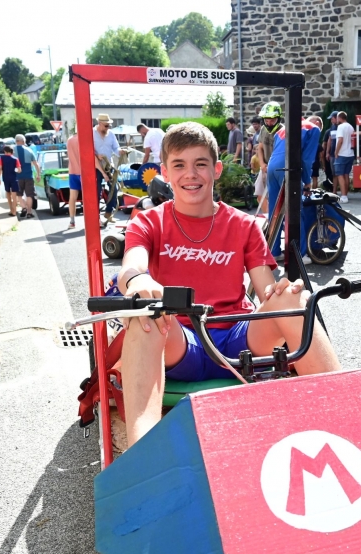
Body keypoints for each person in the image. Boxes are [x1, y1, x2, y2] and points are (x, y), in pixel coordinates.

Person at [116, 121, 341, 447]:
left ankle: (346, 412)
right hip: (181, 340)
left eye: (200, 164)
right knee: (145, 312)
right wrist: (138, 279)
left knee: (295, 299)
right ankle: (144, 452)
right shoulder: (149, 222)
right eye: (179, 165)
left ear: (216, 169)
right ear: (165, 172)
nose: (190, 174)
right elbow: (132, 265)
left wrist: (282, 292)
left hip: (237, 338)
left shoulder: (244, 225)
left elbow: (266, 289)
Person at [266, 115, 322, 262]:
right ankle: (300, 255)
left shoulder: (283, 129)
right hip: (287, 168)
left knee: (274, 211)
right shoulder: (313, 128)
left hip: (272, 168)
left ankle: (274, 251)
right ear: (316, 122)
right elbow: (307, 158)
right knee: (296, 212)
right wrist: (307, 181)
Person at [65, 128, 109, 229]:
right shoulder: (85, 140)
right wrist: (103, 173)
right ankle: (94, 221)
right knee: (89, 198)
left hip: (72, 171)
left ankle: (72, 222)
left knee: (72, 198)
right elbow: (93, 158)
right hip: (84, 173)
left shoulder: (69, 140)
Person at [256, 103, 283, 212]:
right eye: (267, 120)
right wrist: (262, 164)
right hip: (265, 166)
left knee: (276, 197)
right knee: (259, 195)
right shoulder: (263, 129)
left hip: (277, 169)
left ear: (278, 118)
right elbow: (260, 148)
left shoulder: (283, 131)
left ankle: (276, 221)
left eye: (272, 120)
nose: (269, 123)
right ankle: (269, 219)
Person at [14, 134, 41, 218]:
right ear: (23, 141)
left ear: (16, 141)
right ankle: (29, 212)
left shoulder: (12, 151)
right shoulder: (29, 150)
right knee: (30, 195)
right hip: (29, 176)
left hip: (17, 177)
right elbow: (36, 164)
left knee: (19, 194)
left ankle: (23, 207)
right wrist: (38, 174)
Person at [333, 111, 355, 203]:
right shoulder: (350, 127)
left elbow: (340, 140)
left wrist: (336, 152)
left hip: (342, 153)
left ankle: (344, 196)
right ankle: (345, 194)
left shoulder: (340, 127)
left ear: (339, 118)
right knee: (346, 174)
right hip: (350, 153)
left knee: (340, 175)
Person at [0, 146, 21, 216]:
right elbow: (19, 170)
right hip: (14, 178)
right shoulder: (16, 159)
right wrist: (15, 170)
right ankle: (14, 211)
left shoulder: (2, 158)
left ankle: (11, 209)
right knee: (14, 195)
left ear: (5, 151)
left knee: (8, 193)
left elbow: (0, 169)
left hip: (5, 178)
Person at [323, 111, 339, 192]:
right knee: (333, 174)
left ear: (337, 118)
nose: (331, 121)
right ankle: (333, 190)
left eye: (332, 119)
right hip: (332, 154)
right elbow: (327, 141)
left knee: (338, 174)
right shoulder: (330, 129)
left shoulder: (342, 127)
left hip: (338, 154)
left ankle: (337, 191)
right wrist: (326, 153)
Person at [307, 115, 323, 189]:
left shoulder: (307, 142)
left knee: (308, 179)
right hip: (316, 163)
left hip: (309, 162)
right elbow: (321, 155)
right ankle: (314, 191)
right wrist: (323, 164)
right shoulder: (318, 145)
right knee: (315, 178)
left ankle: (308, 191)